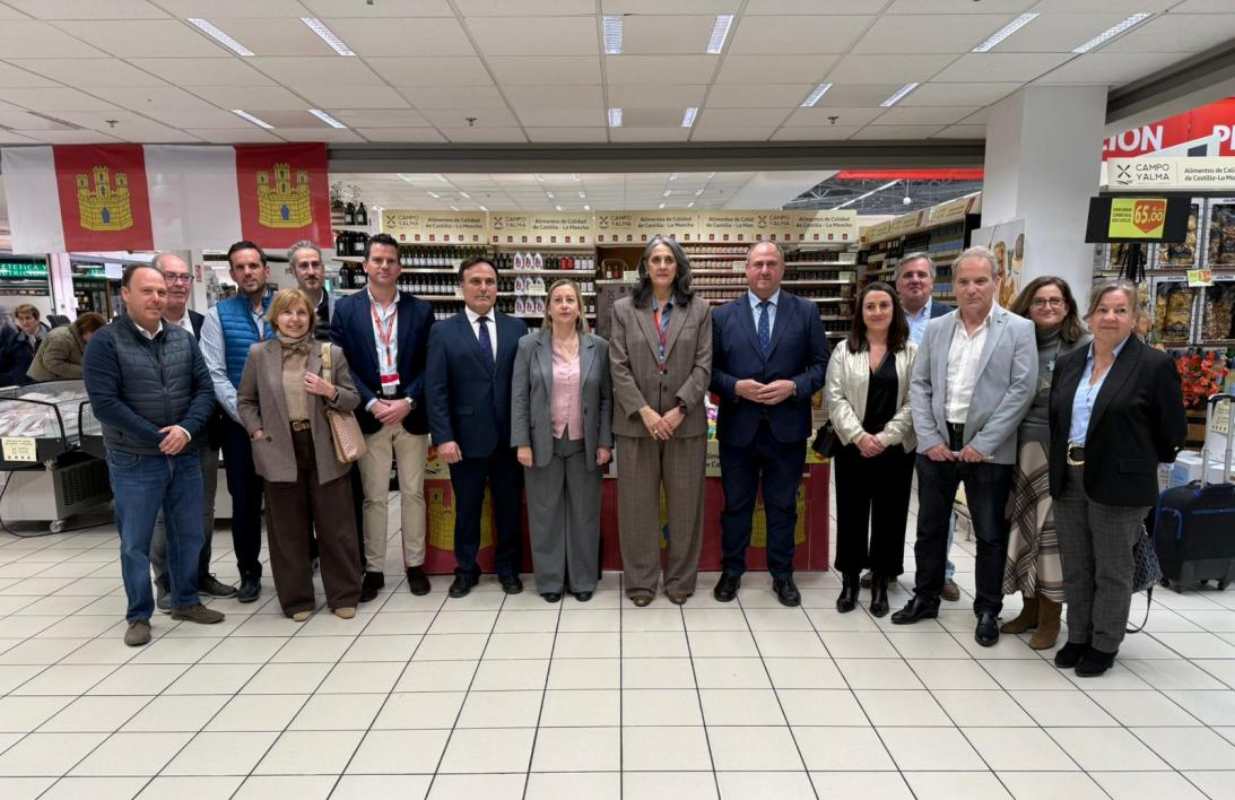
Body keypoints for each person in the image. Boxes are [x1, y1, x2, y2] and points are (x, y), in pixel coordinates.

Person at [892, 246, 1037, 647]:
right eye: (963, 282)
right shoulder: (939, 329)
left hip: (989, 449)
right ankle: (925, 597)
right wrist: (929, 437)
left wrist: (984, 443)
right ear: (952, 286)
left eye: (980, 281)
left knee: (990, 531)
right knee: (930, 528)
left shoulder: (1018, 330)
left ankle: (987, 609)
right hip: (937, 443)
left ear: (997, 283)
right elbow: (920, 385)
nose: (972, 289)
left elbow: (1021, 390)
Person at [1049, 279, 1186, 677]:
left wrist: (1134, 462)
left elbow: (1172, 432)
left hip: (1120, 483)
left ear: (1135, 318)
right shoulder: (1071, 363)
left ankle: (1104, 642)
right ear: (1089, 315)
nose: (1110, 317)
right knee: (1076, 563)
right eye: (1103, 309)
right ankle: (1077, 635)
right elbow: (1060, 421)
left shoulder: (1153, 365)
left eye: (1120, 310)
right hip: (1069, 477)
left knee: (1113, 567)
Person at [82, 264, 224, 647]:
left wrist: (186, 430)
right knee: (136, 541)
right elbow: (105, 404)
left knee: (189, 533)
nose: (157, 298)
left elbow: (204, 391)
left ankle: (186, 600)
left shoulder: (182, 339)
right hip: (135, 459)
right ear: (125, 294)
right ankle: (139, 614)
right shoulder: (106, 343)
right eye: (147, 291)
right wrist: (158, 436)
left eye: (161, 291)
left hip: (185, 453)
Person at [710, 241, 828, 608]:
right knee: (737, 505)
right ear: (745, 269)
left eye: (771, 264)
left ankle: (783, 575)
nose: (764, 270)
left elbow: (821, 366)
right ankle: (732, 571)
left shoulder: (806, 312)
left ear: (782, 269)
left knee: (782, 506)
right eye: (758, 264)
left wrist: (795, 386)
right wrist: (735, 387)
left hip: (787, 429)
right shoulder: (722, 316)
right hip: (738, 429)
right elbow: (709, 372)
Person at [238, 289, 364, 621]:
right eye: (287, 313)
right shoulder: (258, 355)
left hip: (324, 446)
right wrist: (256, 430)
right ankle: (296, 600)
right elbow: (246, 401)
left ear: (311, 317)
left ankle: (344, 594)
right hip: (279, 447)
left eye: (301, 313)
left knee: (336, 526)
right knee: (287, 530)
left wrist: (330, 391)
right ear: (275, 317)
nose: (294, 320)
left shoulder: (329, 354)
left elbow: (352, 399)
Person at [609, 235, 712, 607]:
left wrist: (678, 409)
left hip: (685, 425)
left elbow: (704, 365)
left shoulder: (699, 309)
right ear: (645, 267)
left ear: (679, 266)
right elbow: (617, 366)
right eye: (656, 259)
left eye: (670, 259)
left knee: (686, 508)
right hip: (636, 426)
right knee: (637, 508)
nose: (663, 265)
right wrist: (646, 411)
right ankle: (640, 583)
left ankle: (680, 581)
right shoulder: (623, 309)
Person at [332, 233, 435, 601]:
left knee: (413, 494)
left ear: (400, 267)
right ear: (365, 266)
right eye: (377, 260)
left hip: (410, 415)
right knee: (374, 497)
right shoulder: (345, 310)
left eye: (391, 260)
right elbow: (341, 366)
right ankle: (374, 569)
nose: (384, 266)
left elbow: (429, 365)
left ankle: (415, 565)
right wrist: (372, 402)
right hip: (371, 415)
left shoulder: (420, 311)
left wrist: (409, 399)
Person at [426, 255, 527, 598]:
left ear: (498, 288)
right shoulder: (442, 331)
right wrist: (444, 437)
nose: (483, 288)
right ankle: (466, 569)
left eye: (489, 282)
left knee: (509, 509)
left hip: (509, 439)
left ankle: (508, 569)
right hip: (465, 441)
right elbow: (435, 389)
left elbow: (523, 386)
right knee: (466, 509)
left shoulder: (517, 328)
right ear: (461, 287)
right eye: (475, 281)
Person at [999, 277, 1090, 649]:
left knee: (1051, 537)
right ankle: (1029, 608)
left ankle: (1052, 616)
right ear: (1027, 306)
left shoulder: (1083, 346)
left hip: (1059, 452)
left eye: (1056, 300)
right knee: (1023, 530)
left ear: (1068, 305)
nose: (1048, 307)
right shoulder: (1016, 341)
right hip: (1020, 446)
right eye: (1040, 301)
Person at [511, 279, 613, 603]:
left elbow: (606, 400)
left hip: (585, 442)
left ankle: (583, 579)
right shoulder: (529, 346)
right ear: (548, 308)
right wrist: (522, 443)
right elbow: (520, 398)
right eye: (558, 299)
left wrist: (605, 442)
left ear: (580, 308)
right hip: (543, 441)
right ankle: (551, 581)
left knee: (585, 513)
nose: (565, 305)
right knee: (545, 514)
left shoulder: (599, 346)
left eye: (571, 299)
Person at [148, 253, 235, 611]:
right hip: (157, 439)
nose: (179, 284)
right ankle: (167, 583)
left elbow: (211, 380)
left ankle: (199, 574)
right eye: (170, 276)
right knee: (163, 514)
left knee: (202, 510)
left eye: (184, 277)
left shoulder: (203, 324)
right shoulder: (138, 330)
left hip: (200, 435)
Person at [824, 282, 917, 617]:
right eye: (870, 306)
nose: (877, 312)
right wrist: (861, 437)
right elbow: (835, 399)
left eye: (883, 306)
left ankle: (880, 583)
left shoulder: (910, 351)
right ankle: (849, 582)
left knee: (890, 518)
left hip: (894, 450)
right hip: (853, 448)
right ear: (860, 313)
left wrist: (886, 437)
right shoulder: (844, 350)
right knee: (851, 515)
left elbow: (914, 401)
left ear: (895, 310)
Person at [200, 241, 273, 603]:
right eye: (240, 267)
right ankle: (249, 572)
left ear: (266, 270)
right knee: (244, 501)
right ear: (232, 274)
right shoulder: (218, 316)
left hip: (284, 424)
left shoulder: (288, 308)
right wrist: (248, 417)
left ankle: (295, 566)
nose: (248, 272)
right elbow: (214, 373)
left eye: (254, 266)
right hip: (239, 425)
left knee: (285, 499)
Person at [885, 252, 961, 602]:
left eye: (922, 275)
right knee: (889, 499)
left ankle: (939, 572)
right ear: (897, 282)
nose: (915, 281)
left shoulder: (952, 319)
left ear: (933, 281)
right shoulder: (883, 314)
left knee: (938, 504)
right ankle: (884, 564)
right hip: (892, 422)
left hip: (937, 424)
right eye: (908, 276)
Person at [292, 240, 365, 571]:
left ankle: (350, 560)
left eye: (315, 264)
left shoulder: (345, 309)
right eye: (303, 266)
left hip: (339, 413)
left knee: (346, 494)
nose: (310, 271)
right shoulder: (282, 311)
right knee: (300, 498)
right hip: (298, 418)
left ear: (324, 269)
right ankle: (307, 558)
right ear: (293, 271)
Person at [26, 312, 106, 382]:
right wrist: (85, 371)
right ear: (85, 329)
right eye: (96, 333)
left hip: (58, 381)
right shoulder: (62, 337)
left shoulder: (82, 338)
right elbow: (53, 363)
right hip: (43, 382)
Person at [0, 304, 46, 386]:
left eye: (28, 318)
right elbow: (3, 361)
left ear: (37, 319)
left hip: (47, 384)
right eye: (21, 319)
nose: (24, 322)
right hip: (22, 385)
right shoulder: (14, 339)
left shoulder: (51, 337)